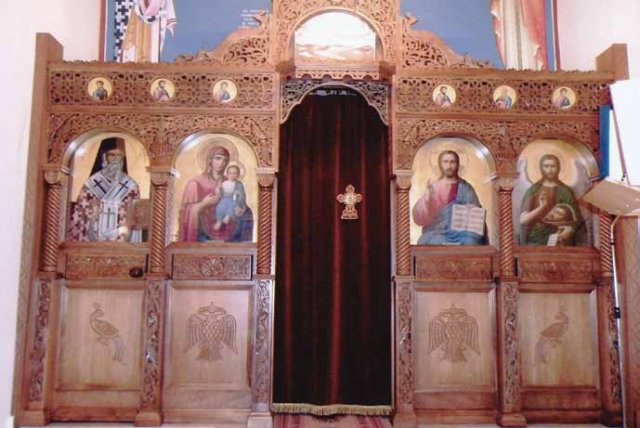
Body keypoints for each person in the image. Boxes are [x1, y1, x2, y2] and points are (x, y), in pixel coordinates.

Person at [179, 145, 253, 242]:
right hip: (203, 235)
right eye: (218, 158)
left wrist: (241, 209)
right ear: (210, 160)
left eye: (225, 160)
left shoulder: (231, 182)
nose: (222, 163)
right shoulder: (195, 183)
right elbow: (186, 214)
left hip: (229, 231)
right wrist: (204, 204)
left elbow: (240, 202)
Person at [412, 150, 486, 245]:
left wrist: (471, 209)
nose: (449, 166)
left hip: (461, 233)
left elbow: (476, 215)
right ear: (440, 164)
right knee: (435, 241)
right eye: (445, 162)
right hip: (437, 231)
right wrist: (427, 199)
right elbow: (419, 217)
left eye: (452, 162)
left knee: (471, 242)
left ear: (457, 164)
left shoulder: (466, 188)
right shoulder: (433, 187)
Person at [68, 148, 141, 242]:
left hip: (120, 236)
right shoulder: (91, 184)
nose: (116, 159)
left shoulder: (130, 185)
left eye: (119, 156)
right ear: (104, 158)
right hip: (93, 234)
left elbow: (134, 213)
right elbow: (82, 209)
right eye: (112, 155)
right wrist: (93, 209)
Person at [519, 154, 585, 246]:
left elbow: (576, 219)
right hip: (535, 238)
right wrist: (542, 207)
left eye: (553, 166)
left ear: (558, 168)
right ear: (541, 168)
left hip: (560, 236)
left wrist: (567, 232)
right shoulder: (534, 190)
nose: (550, 170)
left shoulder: (565, 191)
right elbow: (523, 220)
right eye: (546, 166)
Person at [214, 165, 247, 230]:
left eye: (234, 173)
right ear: (227, 174)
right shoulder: (224, 183)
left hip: (234, 199)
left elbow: (242, 194)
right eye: (230, 173)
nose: (232, 175)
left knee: (232, 206)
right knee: (219, 207)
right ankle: (219, 221)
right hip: (225, 199)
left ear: (238, 175)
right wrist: (219, 189)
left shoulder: (238, 184)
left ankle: (228, 216)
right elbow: (221, 193)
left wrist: (238, 193)